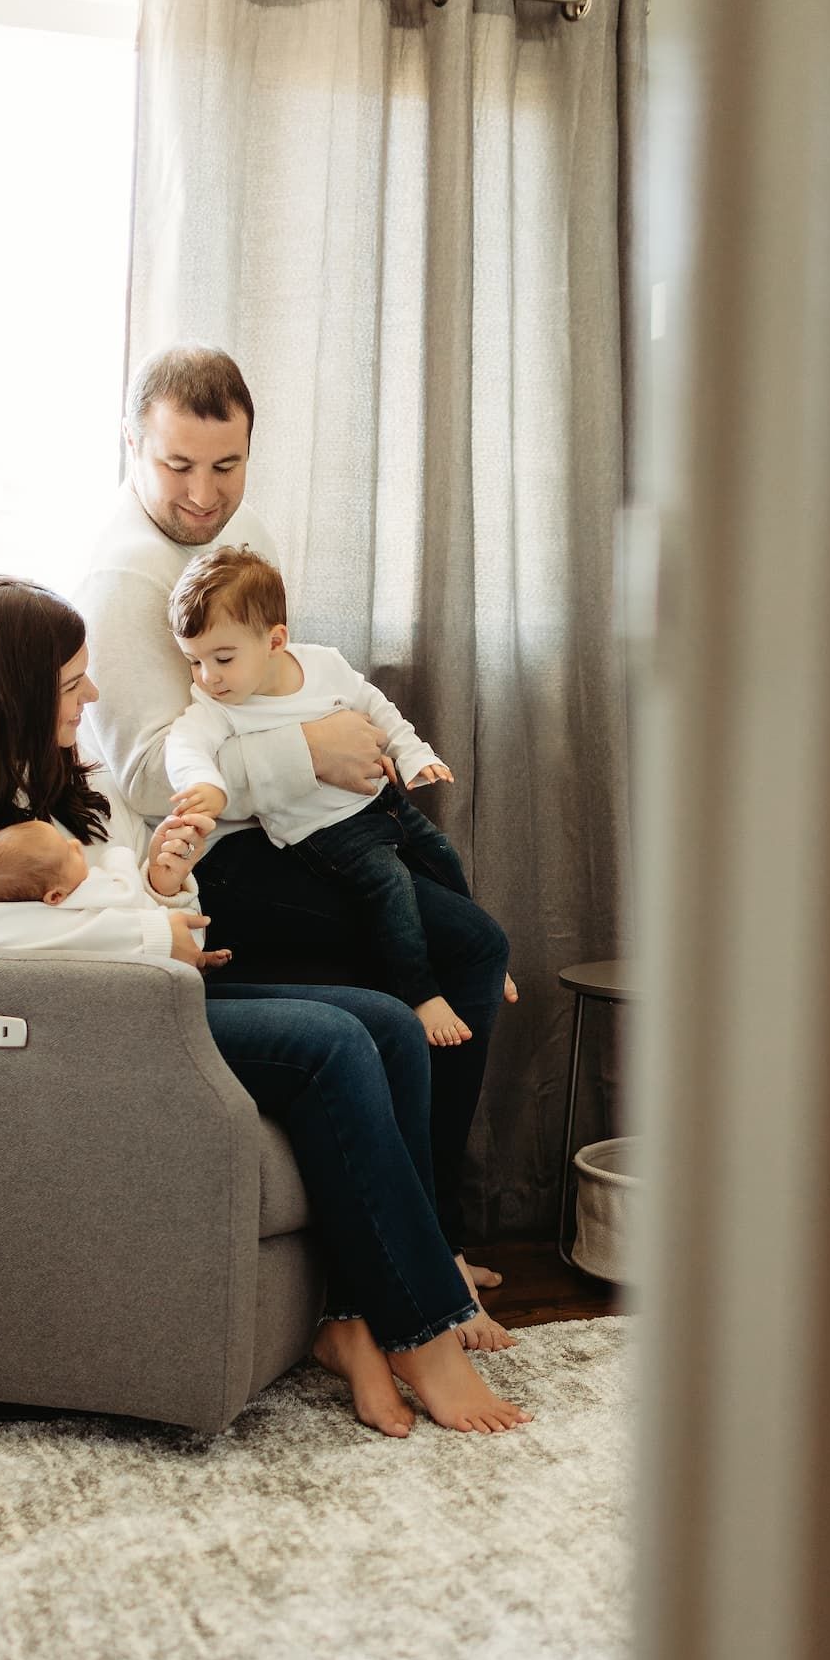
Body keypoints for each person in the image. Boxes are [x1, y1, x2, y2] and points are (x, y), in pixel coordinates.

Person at [0, 575, 532, 1438]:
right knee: (329, 1044)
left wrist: (165, 882)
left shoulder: (56, 762)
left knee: (389, 1022)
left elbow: (133, 879)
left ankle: (357, 1321)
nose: (92, 696)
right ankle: (424, 1336)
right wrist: (152, 937)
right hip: (72, 1017)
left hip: (155, 981)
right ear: (11, 689)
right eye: (72, 684)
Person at [74, 342, 515, 1346]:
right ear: (133, 446)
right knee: (460, 949)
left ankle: (436, 1229)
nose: (202, 494)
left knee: (476, 943)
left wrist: (330, 734)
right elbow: (155, 776)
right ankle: (424, 1251)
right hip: (208, 868)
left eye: (225, 466)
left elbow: (272, 678)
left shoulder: (241, 529)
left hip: (287, 833)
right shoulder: (122, 580)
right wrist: (312, 749)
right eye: (177, 465)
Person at [164, 544, 505, 1051]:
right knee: (391, 887)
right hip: (323, 833)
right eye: (193, 661)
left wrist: (413, 754)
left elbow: (377, 706)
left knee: (440, 853)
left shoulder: (323, 663)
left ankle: (489, 966)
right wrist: (207, 786)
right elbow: (184, 746)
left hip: (376, 797)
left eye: (223, 658)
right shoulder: (217, 708)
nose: (207, 676)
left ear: (275, 640)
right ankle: (421, 993)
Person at [0, 815, 201, 936]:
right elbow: (128, 894)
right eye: (67, 852)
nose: (75, 844)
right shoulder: (87, 896)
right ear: (55, 896)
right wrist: (116, 857)